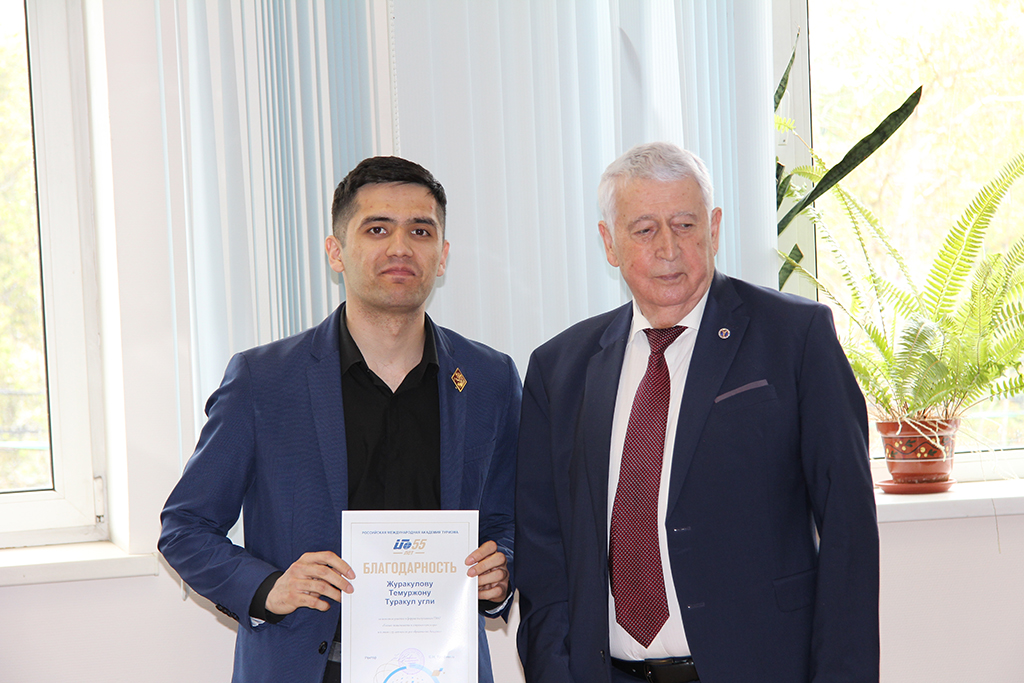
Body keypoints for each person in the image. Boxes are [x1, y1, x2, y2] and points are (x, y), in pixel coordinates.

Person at [515, 142, 878, 683]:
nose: (668, 248)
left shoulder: (795, 338)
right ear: (609, 243)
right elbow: (543, 552)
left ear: (714, 228)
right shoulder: (559, 369)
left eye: (684, 225)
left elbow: (849, 531)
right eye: (644, 230)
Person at [159, 156, 520, 683]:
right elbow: (185, 527)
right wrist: (269, 588)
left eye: (421, 231)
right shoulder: (264, 380)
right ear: (336, 252)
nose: (401, 247)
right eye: (377, 229)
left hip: (446, 666)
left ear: (442, 256)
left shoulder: (490, 378)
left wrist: (501, 568)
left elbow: (510, 518)